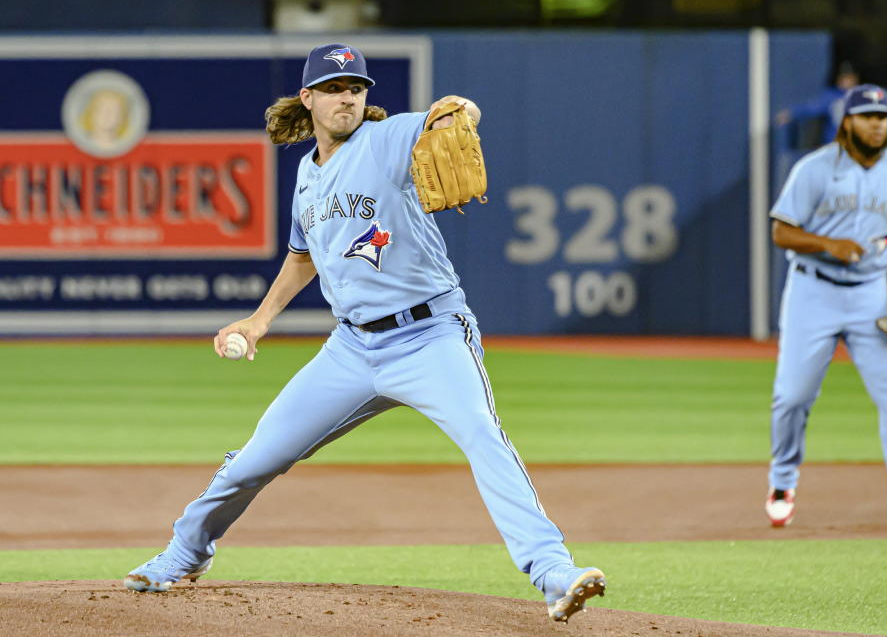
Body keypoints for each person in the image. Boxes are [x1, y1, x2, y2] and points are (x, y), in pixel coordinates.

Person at [122, 43, 606, 623]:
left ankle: (553, 572)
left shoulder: (386, 139)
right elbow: (303, 258)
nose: (346, 96)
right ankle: (185, 552)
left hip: (430, 335)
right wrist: (259, 321)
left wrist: (461, 114)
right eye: (332, 88)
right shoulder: (307, 175)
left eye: (355, 86)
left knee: (483, 436)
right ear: (309, 100)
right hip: (352, 348)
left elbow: (454, 115)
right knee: (257, 457)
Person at [764, 84, 887, 531]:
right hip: (813, 290)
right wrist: (829, 244)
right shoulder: (814, 169)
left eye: (883, 116)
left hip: (871, 293)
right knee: (793, 396)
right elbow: (781, 232)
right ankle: (782, 479)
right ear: (847, 121)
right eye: (867, 115)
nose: (877, 123)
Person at [775, 61, 859, 147]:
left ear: (855, 79)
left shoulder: (862, 97)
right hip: (835, 147)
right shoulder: (831, 96)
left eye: (849, 78)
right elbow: (811, 108)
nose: (845, 81)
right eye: (843, 78)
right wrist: (792, 113)